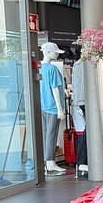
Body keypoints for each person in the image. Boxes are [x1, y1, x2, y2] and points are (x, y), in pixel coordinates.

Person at [39, 42, 67, 175]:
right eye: (55, 52)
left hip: (43, 106)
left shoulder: (39, 68)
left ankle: (46, 163)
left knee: (46, 135)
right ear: (48, 52)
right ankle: (50, 163)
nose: (57, 54)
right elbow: (55, 89)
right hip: (52, 107)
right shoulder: (52, 69)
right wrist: (60, 109)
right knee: (51, 134)